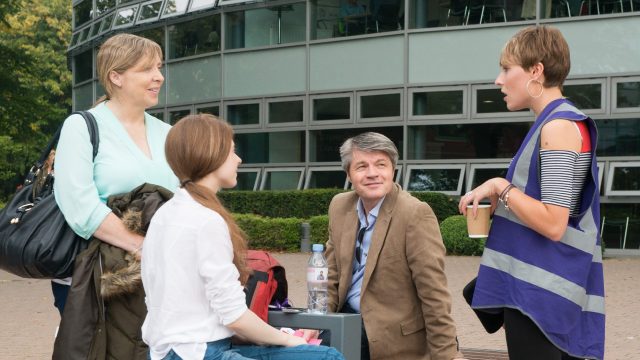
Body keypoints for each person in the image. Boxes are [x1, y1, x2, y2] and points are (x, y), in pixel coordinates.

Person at [141, 114, 344, 360]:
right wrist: (290, 339)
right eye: (232, 151)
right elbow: (234, 316)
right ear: (211, 155)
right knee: (325, 357)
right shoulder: (205, 220)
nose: (239, 159)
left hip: (168, 350)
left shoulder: (167, 214)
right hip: (197, 351)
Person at [458, 25, 604, 360]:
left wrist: (500, 186)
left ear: (536, 70)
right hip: (547, 291)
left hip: (540, 296)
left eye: (507, 69)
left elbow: (554, 222)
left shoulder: (557, 127)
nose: (499, 80)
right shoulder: (556, 123)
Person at [53, 33, 178, 320]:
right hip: (96, 273)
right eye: (147, 69)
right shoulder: (82, 126)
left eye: (159, 67)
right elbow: (79, 203)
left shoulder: (169, 133)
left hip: (161, 271)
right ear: (116, 77)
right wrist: (141, 245)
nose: (159, 77)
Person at [325, 132, 464, 360]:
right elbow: (331, 275)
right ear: (349, 174)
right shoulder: (339, 206)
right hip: (344, 319)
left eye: (381, 165)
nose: (373, 174)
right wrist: (319, 321)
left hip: (391, 333)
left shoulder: (414, 214)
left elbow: (433, 293)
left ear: (393, 170)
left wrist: (446, 355)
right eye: (361, 166)